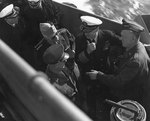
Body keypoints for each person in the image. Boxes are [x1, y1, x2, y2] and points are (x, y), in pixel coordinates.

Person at [86, 19, 150, 120]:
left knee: (98, 93)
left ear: (133, 38)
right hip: (131, 84)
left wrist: (98, 75)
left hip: (129, 94)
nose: (121, 39)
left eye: (124, 37)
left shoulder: (135, 61)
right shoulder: (139, 46)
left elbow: (118, 82)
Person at [75, 15, 124, 119]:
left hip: (104, 71)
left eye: (89, 32)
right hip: (89, 75)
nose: (86, 34)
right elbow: (78, 60)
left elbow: (122, 42)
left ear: (97, 29)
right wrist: (87, 52)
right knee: (91, 103)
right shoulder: (80, 39)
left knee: (108, 96)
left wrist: (139, 45)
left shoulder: (107, 35)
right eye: (85, 32)